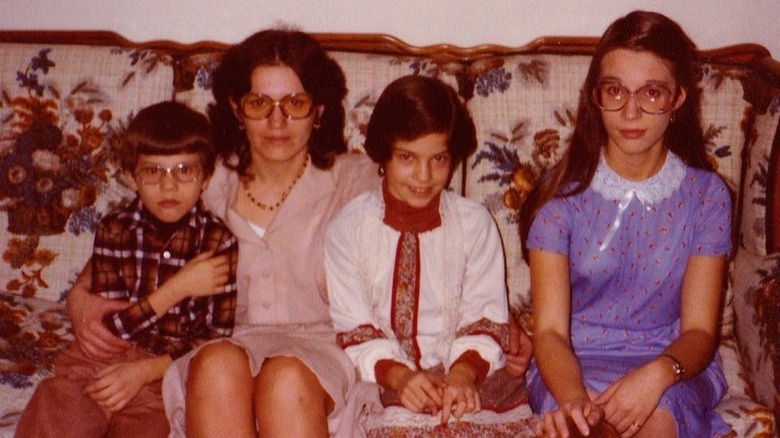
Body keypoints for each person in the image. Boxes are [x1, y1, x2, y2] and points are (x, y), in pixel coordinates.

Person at [67, 29, 531, 438]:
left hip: (323, 348)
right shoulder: (207, 182)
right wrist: (80, 294)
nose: (277, 122)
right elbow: (134, 239)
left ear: (319, 110)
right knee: (215, 365)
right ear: (236, 108)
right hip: (227, 342)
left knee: (285, 378)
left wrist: (504, 328)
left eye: (294, 103)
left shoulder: (357, 180)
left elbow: (438, 234)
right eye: (259, 103)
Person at [519, 10, 732, 438]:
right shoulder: (560, 196)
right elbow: (549, 331)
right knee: (583, 430)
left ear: (677, 100)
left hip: (673, 364)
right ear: (595, 98)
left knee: (654, 423)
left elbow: (699, 330)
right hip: (572, 363)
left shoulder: (707, 197)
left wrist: (657, 374)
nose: (630, 111)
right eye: (614, 91)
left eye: (651, 93)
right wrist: (575, 401)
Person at [16, 101, 239, 438]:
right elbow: (112, 327)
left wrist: (145, 371)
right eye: (152, 171)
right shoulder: (113, 229)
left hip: (163, 372)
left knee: (151, 425)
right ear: (130, 177)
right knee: (57, 405)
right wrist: (176, 289)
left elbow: (214, 339)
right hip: (99, 361)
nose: (168, 186)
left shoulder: (218, 242)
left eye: (184, 170)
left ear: (206, 178)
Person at [326, 75, 530, 430]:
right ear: (383, 155)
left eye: (438, 159)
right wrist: (400, 377)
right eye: (407, 157)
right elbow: (354, 326)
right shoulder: (349, 229)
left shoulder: (474, 224)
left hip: (469, 372)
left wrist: (463, 373)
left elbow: (484, 315)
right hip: (385, 379)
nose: (424, 176)